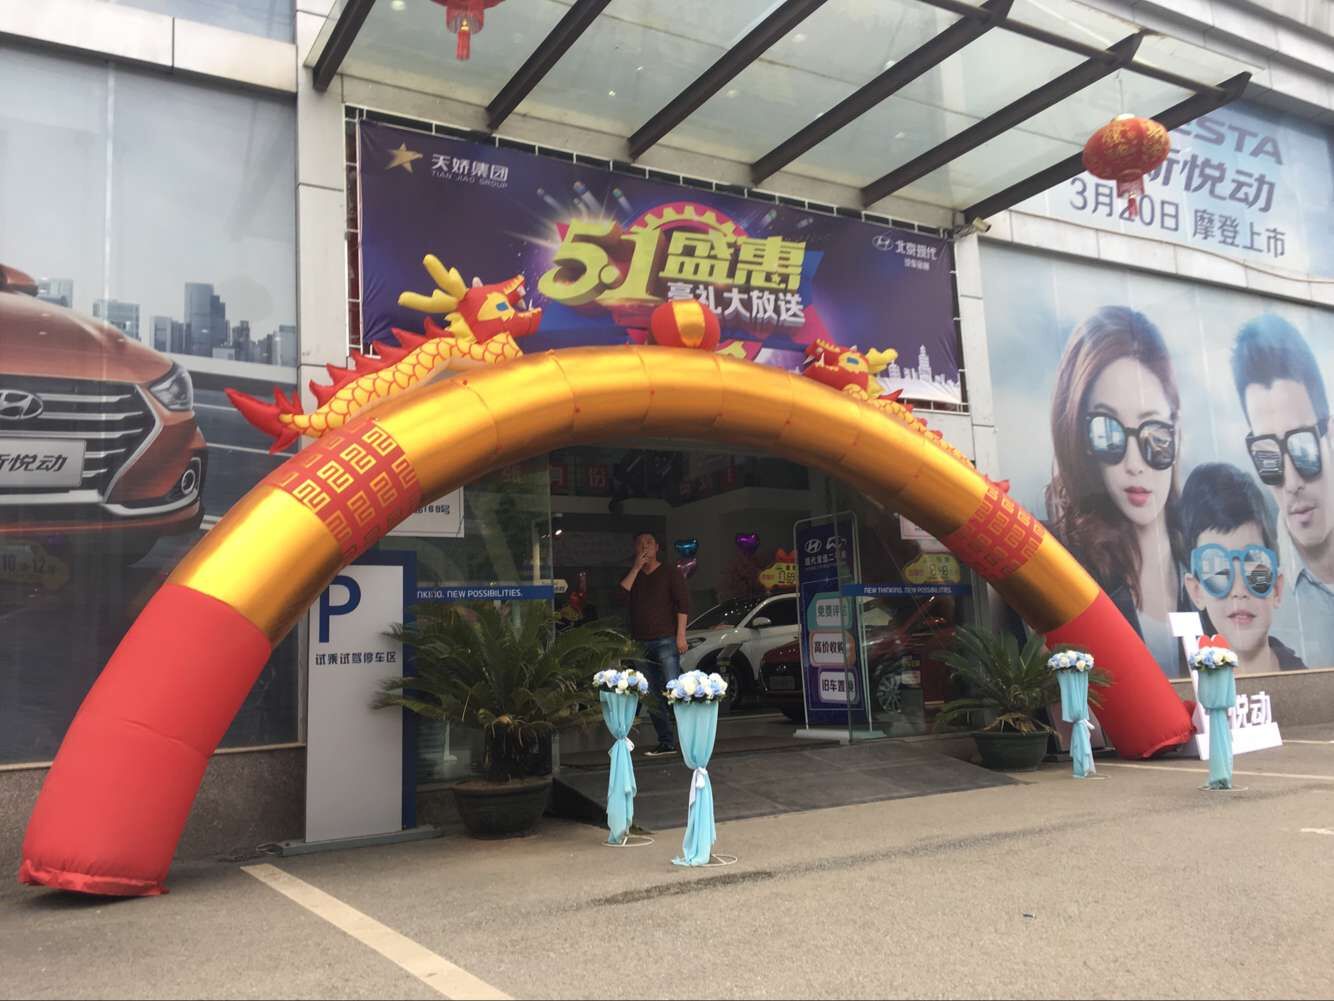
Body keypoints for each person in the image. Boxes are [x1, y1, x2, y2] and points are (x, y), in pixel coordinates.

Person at [1045, 305, 1187, 678]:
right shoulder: (1064, 566)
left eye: (1153, 432)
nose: (1134, 463)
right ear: (1080, 437)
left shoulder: (1202, 555)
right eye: (1107, 432)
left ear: (1176, 429)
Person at [1232, 314, 1334, 668]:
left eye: (1302, 447)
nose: (1291, 482)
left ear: (1330, 435)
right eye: (1268, 455)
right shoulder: (1252, 597)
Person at [1181, 463, 1305, 674]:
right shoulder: (1188, 691)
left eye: (1254, 567)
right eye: (1218, 570)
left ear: (1276, 587)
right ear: (1196, 591)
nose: (1238, 591)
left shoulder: (1308, 682)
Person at [619, 531, 690, 756]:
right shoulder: (634, 575)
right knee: (651, 694)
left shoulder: (669, 572)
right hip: (641, 641)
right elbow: (620, 597)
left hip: (666, 639)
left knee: (672, 687)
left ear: (657, 547)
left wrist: (680, 635)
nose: (645, 547)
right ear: (635, 548)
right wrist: (636, 568)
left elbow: (683, 604)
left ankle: (689, 739)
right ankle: (666, 741)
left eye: (649, 543)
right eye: (640, 543)